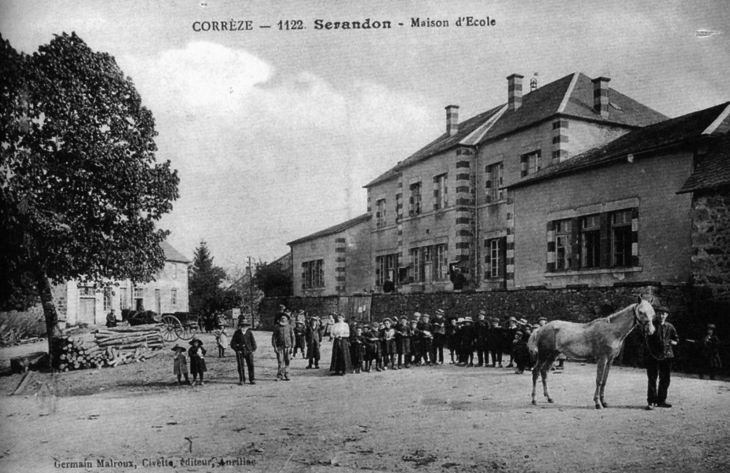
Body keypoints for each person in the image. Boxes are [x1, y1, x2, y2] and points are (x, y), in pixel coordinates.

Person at [645, 306, 679, 410]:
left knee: (665, 379)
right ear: (656, 314)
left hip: (667, 356)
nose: (661, 316)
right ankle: (651, 401)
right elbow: (645, 339)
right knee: (652, 378)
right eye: (659, 313)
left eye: (663, 314)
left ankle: (661, 400)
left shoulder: (670, 326)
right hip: (653, 356)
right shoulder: (651, 326)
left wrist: (674, 342)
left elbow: (676, 338)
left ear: (667, 315)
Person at [230, 320, 257, 385]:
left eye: (245, 325)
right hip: (240, 351)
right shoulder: (237, 333)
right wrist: (237, 350)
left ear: (247, 326)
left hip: (249, 351)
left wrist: (253, 350)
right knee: (240, 365)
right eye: (242, 325)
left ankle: (251, 379)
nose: (244, 327)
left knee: (251, 365)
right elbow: (232, 343)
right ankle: (242, 380)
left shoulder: (249, 332)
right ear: (240, 326)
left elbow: (253, 342)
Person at [271, 312, 295, 381]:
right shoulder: (276, 327)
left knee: (287, 361)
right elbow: (274, 338)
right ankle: (280, 375)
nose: (283, 319)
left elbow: (293, 337)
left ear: (287, 319)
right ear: (280, 319)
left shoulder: (290, 327)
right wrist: (275, 347)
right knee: (280, 361)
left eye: (284, 318)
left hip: (288, 346)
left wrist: (292, 347)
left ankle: (287, 374)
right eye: (282, 318)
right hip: (279, 347)